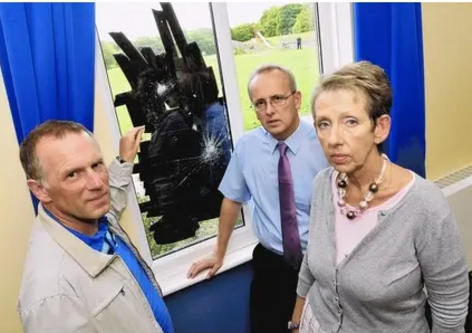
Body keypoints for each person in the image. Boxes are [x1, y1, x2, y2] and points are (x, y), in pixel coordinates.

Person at [290, 61, 470, 333]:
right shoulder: (322, 185)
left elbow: (450, 306)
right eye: (323, 124)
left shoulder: (424, 205)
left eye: (350, 121)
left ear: (380, 128)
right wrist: (295, 323)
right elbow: (310, 266)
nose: (333, 138)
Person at [187, 64, 329, 333]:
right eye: (260, 103)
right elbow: (232, 199)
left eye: (278, 99)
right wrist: (219, 251)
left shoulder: (325, 144)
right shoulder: (247, 147)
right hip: (271, 267)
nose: (270, 110)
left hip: (318, 265)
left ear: (296, 99)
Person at [17, 120, 174, 333]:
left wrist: (124, 160)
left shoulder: (89, 218)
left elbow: (112, 201)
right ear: (40, 190)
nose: (97, 184)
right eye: (72, 174)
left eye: (96, 165)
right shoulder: (51, 295)